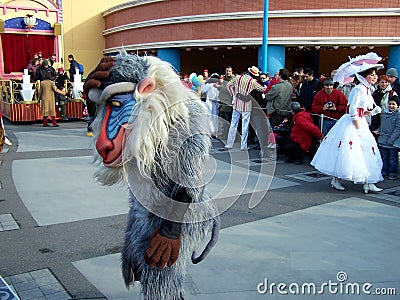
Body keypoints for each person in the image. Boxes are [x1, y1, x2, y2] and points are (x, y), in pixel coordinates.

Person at [311, 52, 384, 193]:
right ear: (364, 76)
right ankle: (336, 179)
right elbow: (352, 109)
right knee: (347, 151)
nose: (375, 77)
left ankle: (368, 182)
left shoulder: (368, 90)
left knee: (367, 152)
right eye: (372, 74)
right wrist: (358, 128)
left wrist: (372, 112)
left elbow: (362, 110)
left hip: (361, 122)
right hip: (353, 124)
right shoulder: (358, 89)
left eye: (375, 74)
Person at [225, 66, 267, 150]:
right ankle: (243, 146)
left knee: (233, 124)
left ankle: (229, 144)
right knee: (245, 125)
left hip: (236, 103)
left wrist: (233, 95)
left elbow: (228, 85)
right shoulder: (253, 82)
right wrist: (266, 87)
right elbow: (262, 90)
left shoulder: (238, 77)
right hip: (246, 105)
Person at [374, 95, 400, 180]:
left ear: (397, 106)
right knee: (384, 157)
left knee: (393, 158)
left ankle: (393, 172)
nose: (391, 106)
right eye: (390, 104)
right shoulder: (384, 114)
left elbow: (398, 129)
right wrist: (378, 130)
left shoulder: (398, 115)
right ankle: (384, 171)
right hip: (383, 140)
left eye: (393, 104)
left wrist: (391, 139)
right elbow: (382, 125)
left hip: (393, 141)